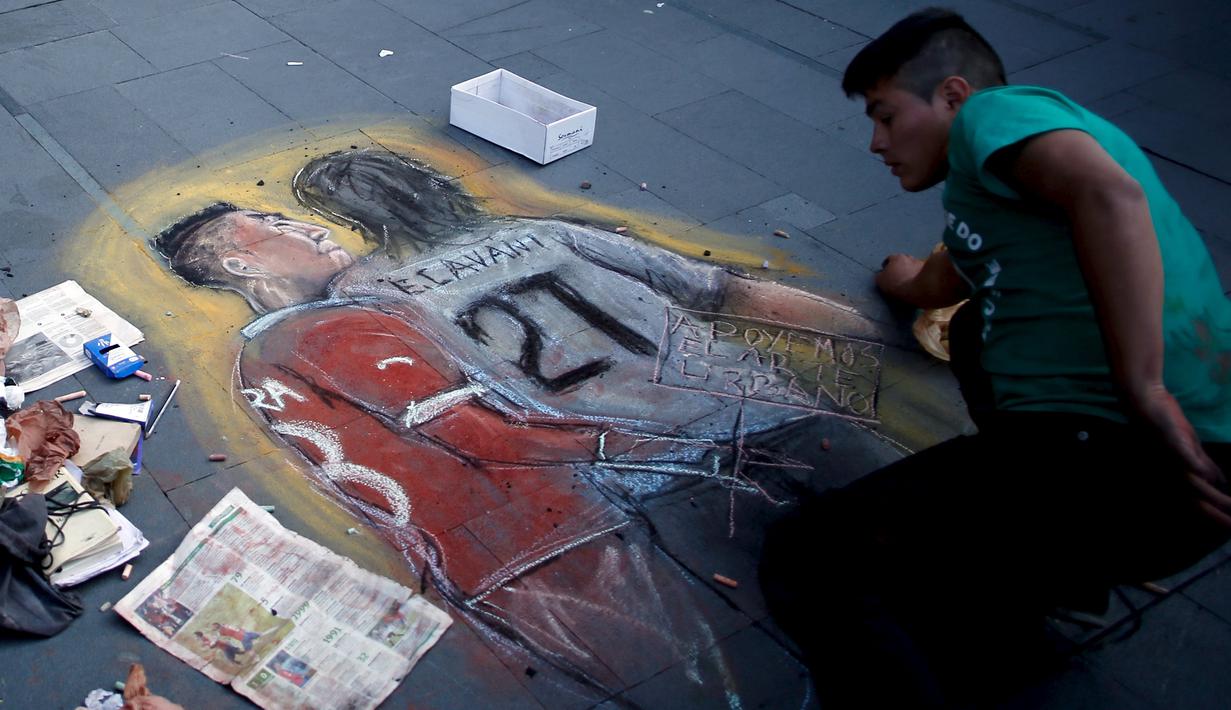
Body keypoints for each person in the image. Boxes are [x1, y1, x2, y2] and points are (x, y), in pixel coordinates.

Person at [152, 149, 885, 704]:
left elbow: (474, 428)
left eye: (303, 214)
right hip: (774, 413)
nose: (307, 229)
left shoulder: (362, 298)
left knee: (802, 639)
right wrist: (889, 332)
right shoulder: (541, 233)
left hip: (664, 474)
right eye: (279, 222)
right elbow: (729, 292)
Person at [759, 7, 1231, 708]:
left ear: (951, 95)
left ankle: (1026, 562)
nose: (874, 143)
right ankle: (1030, 577)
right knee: (976, 329)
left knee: (812, 557)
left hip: (1134, 454)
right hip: (1153, 484)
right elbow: (943, 279)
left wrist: (1143, 390)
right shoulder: (992, 197)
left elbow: (1107, 193)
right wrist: (900, 279)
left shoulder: (999, 115)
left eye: (886, 116)